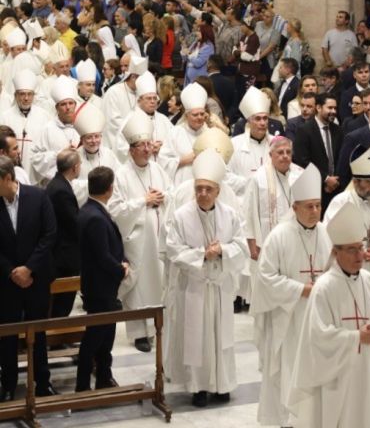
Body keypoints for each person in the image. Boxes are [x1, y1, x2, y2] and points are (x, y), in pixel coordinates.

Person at [288, 201, 370, 427]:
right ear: (336, 252)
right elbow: (318, 337)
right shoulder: (324, 288)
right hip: (338, 378)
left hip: (369, 370)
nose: (360, 255)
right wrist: (357, 337)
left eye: (360, 247)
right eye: (351, 250)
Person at [164, 148, 248, 407]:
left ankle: (222, 385)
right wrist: (203, 255)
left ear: (218, 191)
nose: (202, 193)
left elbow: (241, 246)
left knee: (222, 338)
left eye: (208, 189)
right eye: (198, 188)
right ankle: (198, 387)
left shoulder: (230, 215)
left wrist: (222, 250)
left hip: (219, 286)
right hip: (194, 286)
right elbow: (173, 250)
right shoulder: (181, 216)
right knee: (196, 339)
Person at [250, 163, 331, 426]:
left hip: (318, 319)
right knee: (288, 372)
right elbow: (265, 277)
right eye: (309, 206)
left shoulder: (326, 234)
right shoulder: (278, 237)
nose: (315, 211)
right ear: (294, 207)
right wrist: (301, 290)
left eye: (318, 205)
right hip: (288, 319)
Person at [109, 109, 172, 353]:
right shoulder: (121, 175)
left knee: (159, 283)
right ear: (131, 150)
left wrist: (163, 197)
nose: (147, 149)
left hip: (159, 238)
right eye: (141, 145)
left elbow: (173, 193)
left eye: (148, 144)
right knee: (138, 288)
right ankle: (138, 334)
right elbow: (115, 209)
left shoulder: (157, 169)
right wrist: (142, 201)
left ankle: (157, 327)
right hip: (137, 241)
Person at [0, 155, 57, 400]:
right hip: (7, 281)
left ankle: (42, 381)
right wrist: (12, 271)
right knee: (7, 334)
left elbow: (49, 234)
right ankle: (8, 384)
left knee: (38, 331)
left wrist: (29, 269)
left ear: (7, 178)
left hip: (37, 278)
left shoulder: (38, 196)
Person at [75, 166, 128, 392]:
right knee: (95, 337)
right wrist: (121, 269)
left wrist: (121, 261)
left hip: (100, 285)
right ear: (110, 189)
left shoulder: (90, 209)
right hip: (100, 286)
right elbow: (102, 256)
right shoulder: (95, 216)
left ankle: (104, 376)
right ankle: (82, 385)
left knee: (106, 335)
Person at [325, 145, 370, 291]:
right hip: (349, 269)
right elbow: (328, 237)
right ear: (356, 181)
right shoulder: (340, 202)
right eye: (368, 182)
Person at [244, 136, 304, 263]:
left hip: (297, 237)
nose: (285, 156)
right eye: (280, 152)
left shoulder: (301, 174)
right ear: (271, 155)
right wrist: (252, 242)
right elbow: (249, 213)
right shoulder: (258, 178)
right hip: (268, 238)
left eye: (288, 152)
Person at [293, 93, 344, 212]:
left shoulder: (338, 130)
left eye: (335, 108)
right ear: (319, 108)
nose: (333, 111)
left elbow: (341, 158)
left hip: (336, 189)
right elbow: (302, 161)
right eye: (330, 108)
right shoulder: (304, 130)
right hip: (314, 189)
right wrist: (326, 179)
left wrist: (335, 181)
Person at [46, 148, 81, 318]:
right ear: (75, 167)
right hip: (64, 255)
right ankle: (56, 332)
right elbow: (73, 222)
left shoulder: (57, 183)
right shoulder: (61, 190)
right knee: (62, 303)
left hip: (61, 252)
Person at [0, 68, 51, 184]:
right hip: (10, 174)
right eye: (22, 94)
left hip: (36, 174)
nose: (26, 98)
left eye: (29, 94)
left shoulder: (44, 116)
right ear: (15, 95)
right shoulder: (4, 117)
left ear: (34, 95)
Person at [30, 75, 80, 184]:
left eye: (71, 103)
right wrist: (58, 154)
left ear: (75, 105)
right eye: (63, 104)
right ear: (57, 108)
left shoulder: (82, 127)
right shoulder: (48, 129)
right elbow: (35, 158)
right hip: (55, 185)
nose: (68, 107)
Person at [227, 86, 273, 199]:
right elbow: (226, 176)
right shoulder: (234, 144)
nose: (262, 123)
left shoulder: (276, 144)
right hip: (243, 201)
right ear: (249, 121)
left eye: (265, 118)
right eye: (258, 119)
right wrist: (251, 182)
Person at [162, 82, 209, 185]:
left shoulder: (210, 134)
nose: (200, 117)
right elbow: (162, 162)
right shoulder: (175, 133)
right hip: (181, 184)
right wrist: (182, 160)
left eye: (202, 114)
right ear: (187, 116)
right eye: (195, 115)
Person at [101, 55, 149, 151]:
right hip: (117, 145)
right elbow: (113, 122)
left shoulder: (143, 93)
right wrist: (136, 132)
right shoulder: (114, 92)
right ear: (134, 77)